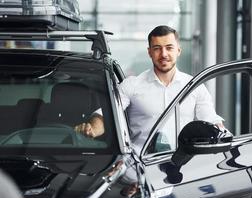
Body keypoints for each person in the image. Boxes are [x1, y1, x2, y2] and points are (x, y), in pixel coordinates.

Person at [75, 25, 224, 154]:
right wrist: (93, 129)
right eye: (157, 48)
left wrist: (223, 135)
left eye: (169, 48)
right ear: (149, 52)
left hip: (183, 169)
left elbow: (211, 122)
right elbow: (106, 114)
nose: (163, 54)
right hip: (141, 169)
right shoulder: (132, 85)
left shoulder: (195, 87)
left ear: (178, 50)